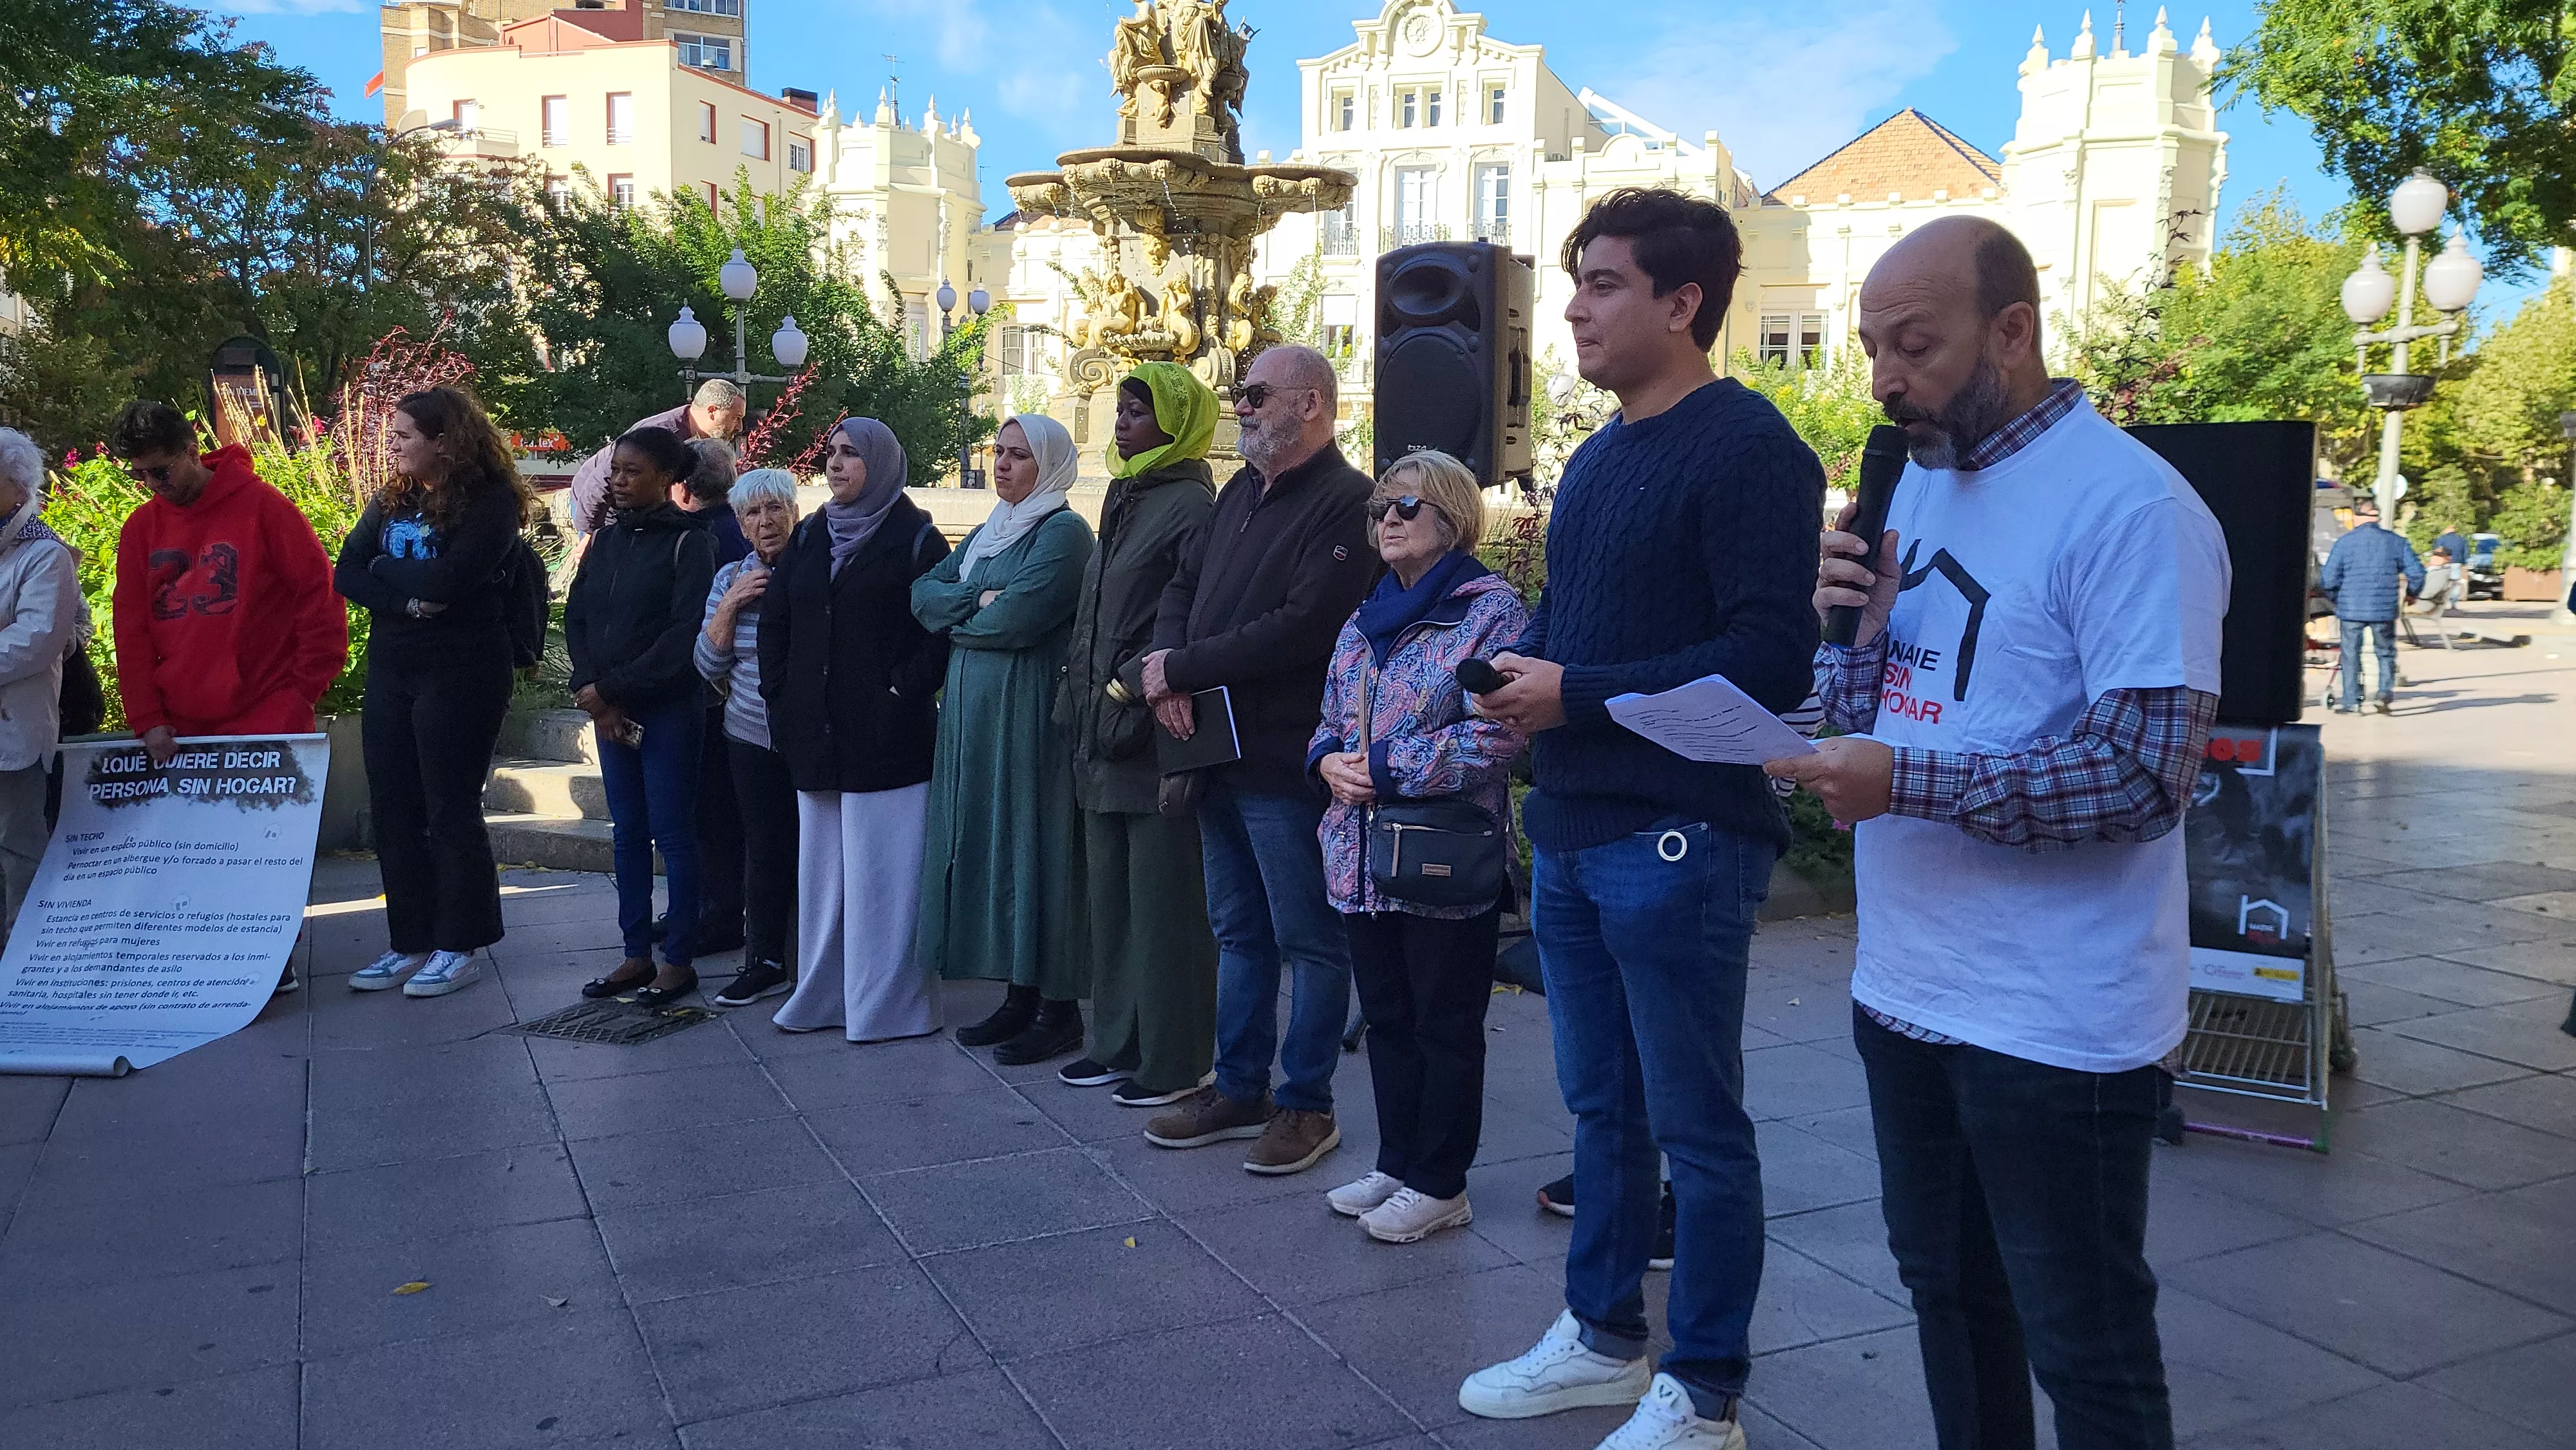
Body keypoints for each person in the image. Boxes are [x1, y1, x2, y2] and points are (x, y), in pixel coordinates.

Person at [1771, 215, 2228, 1450]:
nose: (1882, 378)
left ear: (2013, 330)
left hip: (2056, 1022)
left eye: (1913, 344)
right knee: (1948, 1298)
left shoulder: (2133, 507)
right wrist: (1842, 637)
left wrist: (1902, 780)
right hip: (1906, 989)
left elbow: (2144, 775)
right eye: (1871, 348)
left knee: (2086, 1343)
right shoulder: (1914, 477)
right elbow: (1884, 701)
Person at [1457, 187, 1822, 1450]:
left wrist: (1579, 694)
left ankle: (1704, 1390)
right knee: (1600, 1113)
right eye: (1576, 282)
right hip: (1570, 828)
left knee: (1696, 1126)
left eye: (1603, 282)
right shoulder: (1601, 454)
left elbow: (1772, 655)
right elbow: (1573, 620)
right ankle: (1603, 1338)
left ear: (1681, 302)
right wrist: (1528, 694)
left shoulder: (1751, 447)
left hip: (1680, 838)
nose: (1572, 306)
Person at [1137, 343, 1378, 1176]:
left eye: (1255, 394)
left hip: (1286, 757)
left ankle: (1307, 1105)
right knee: (1239, 932)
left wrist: (1184, 669)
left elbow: (1304, 626)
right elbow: (1180, 585)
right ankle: (1240, 1087)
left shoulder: (1349, 504)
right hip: (1215, 751)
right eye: (1241, 395)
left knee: (1310, 939)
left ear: (1310, 403)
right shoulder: (1239, 490)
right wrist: (1167, 663)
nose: (1240, 406)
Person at [1309, 449, 1528, 1245]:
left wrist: (1389, 768)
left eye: (1404, 506)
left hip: (1441, 850)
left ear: (1451, 516)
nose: (1387, 520)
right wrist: (1326, 759)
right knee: (1390, 1016)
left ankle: (1442, 1181)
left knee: (1444, 1020)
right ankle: (1398, 1160)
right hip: (1360, 851)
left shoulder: (1489, 611)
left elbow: (1503, 733)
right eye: (1380, 510)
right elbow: (1332, 714)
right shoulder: (1367, 611)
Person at [1053, 363, 1224, 1107]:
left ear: (1178, 422)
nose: (1121, 421)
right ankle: (1116, 1039)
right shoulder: (1127, 494)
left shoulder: (1189, 502)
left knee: (1164, 903)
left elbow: (1181, 613)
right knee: (1113, 898)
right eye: (1119, 408)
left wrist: (1127, 681)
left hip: (1152, 726)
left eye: (1137, 410)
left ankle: (1176, 1054)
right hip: (1100, 727)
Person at [331, 386, 535, 998]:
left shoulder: (490, 503)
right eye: (391, 434)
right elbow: (346, 570)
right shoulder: (392, 498)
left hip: (464, 668)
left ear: (445, 442)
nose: (391, 445)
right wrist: (410, 599)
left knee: (449, 803)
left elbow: (451, 577)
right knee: (394, 802)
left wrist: (391, 577)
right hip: (395, 665)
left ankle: (459, 942)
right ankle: (409, 940)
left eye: (404, 436)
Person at [759, 418, 951, 1041]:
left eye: (850, 454)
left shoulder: (917, 538)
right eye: (831, 452)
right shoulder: (812, 533)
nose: (835, 464)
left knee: (884, 878)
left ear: (882, 463)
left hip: (887, 740)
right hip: (815, 734)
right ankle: (824, 996)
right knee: (824, 877)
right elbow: (778, 620)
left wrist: (898, 690)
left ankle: (888, 1005)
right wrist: (780, 696)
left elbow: (939, 632)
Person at [914, 415, 1096, 1062]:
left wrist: (968, 607)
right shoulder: (993, 528)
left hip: (1028, 715)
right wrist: (976, 601)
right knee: (994, 843)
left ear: (1047, 464)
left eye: (1019, 455)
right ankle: (1018, 994)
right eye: (998, 451)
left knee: (1035, 847)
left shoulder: (1064, 532)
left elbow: (1016, 622)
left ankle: (1058, 1006)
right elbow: (922, 596)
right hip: (973, 716)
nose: (1003, 464)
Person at [565, 427, 718, 1006]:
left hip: (668, 710)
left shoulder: (690, 543)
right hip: (611, 712)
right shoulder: (606, 541)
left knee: (673, 833)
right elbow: (578, 616)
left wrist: (612, 689)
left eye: (631, 471)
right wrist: (589, 687)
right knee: (626, 832)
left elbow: (684, 637)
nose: (617, 480)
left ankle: (678, 959)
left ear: (665, 479)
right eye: (614, 470)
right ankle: (635, 954)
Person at [108, 400, 347, 762]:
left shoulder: (264, 507)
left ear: (192, 452)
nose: (151, 485)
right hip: (179, 727)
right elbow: (131, 630)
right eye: (137, 475)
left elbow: (320, 597)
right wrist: (147, 718)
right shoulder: (140, 529)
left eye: (160, 471)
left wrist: (302, 691)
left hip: (270, 710)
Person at [694, 468, 802, 1008]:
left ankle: (812, 960)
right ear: (739, 523)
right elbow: (707, 662)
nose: (765, 522)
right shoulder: (729, 578)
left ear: (794, 511)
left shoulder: (814, 568)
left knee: (815, 851)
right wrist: (734, 602)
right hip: (748, 732)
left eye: (774, 509)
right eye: (752, 514)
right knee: (763, 849)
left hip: (809, 736)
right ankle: (762, 961)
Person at [669, 433, 748, 958]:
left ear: (680, 488)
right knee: (718, 816)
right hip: (733, 696)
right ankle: (707, 910)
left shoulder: (685, 539)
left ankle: (710, 914)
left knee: (706, 815)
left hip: (700, 694)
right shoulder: (741, 535)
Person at [0, 429, 79, 948]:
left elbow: (35, 641)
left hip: (13, 732)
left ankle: (26, 956)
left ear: (19, 487)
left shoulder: (45, 554)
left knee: (17, 845)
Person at [565, 380, 746, 545]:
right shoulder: (661, 433)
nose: (739, 427)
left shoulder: (691, 434)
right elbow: (598, 482)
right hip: (600, 507)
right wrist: (589, 535)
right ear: (712, 411)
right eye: (735, 418)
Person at [2318, 496, 2423, 714]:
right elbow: (2417, 574)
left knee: (2350, 654)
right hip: (2384, 609)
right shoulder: (2396, 542)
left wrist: (2337, 598)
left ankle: (2351, 701)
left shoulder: (2345, 543)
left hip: (2350, 609)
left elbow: (2328, 579)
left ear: (2356, 518)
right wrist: (2411, 595)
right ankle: (2384, 694)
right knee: (2385, 652)